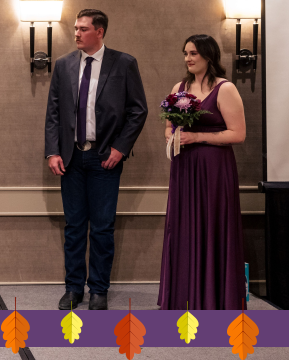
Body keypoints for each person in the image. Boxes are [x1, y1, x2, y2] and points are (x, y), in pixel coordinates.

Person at [44, 9, 147, 310]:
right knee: (74, 227)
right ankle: (73, 288)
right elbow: (53, 112)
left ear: (99, 32)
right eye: (75, 28)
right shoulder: (63, 66)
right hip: (71, 158)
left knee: (102, 227)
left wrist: (120, 148)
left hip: (105, 159)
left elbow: (138, 110)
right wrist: (52, 151)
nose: (76, 33)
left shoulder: (124, 63)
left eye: (83, 29)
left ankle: (98, 289)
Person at [158, 35, 247, 310]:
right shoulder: (179, 87)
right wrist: (172, 135)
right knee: (183, 226)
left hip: (214, 170)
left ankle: (214, 298)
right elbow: (169, 127)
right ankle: (184, 295)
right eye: (185, 53)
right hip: (184, 168)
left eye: (194, 53)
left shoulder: (225, 88)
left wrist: (197, 138)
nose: (188, 58)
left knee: (212, 226)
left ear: (209, 55)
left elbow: (238, 134)